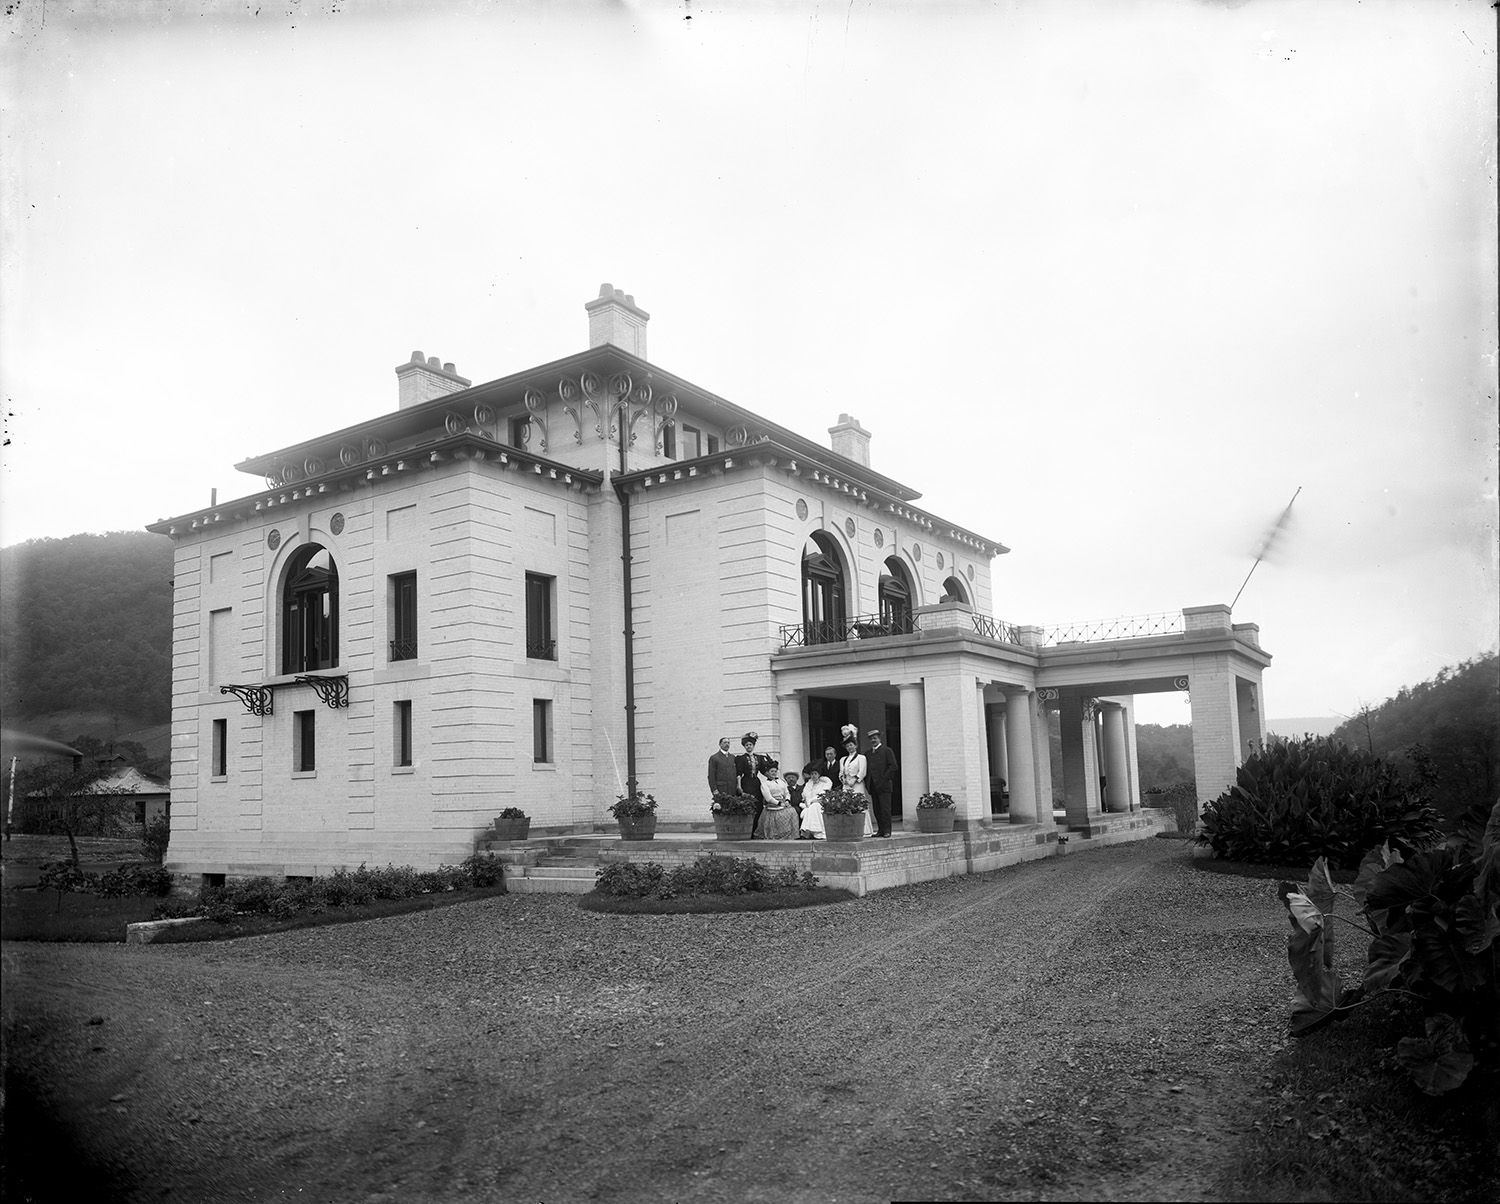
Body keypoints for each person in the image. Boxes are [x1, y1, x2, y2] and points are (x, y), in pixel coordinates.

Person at [838, 733, 875, 836]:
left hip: (857, 785)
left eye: (851, 745)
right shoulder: (843, 759)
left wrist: (854, 780)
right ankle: (849, 830)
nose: (849, 747)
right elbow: (841, 772)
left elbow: (862, 771)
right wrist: (843, 780)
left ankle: (864, 830)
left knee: (859, 805)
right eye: (847, 746)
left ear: (855, 746)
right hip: (846, 785)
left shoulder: (861, 758)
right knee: (846, 805)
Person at [864, 729, 899, 838]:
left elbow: (893, 766)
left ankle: (887, 830)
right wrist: (867, 783)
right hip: (873, 786)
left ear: (879, 738)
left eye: (875, 738)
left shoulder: (887, 751)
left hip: (884, 786)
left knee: (885, 809)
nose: (873, 740)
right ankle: (880, 830)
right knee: (877, 810)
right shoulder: (868, 753)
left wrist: (884, 779)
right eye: (871, 739)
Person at [756, 760, 799, 840]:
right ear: (768, 772)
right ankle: (778, 834)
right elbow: (768, 798)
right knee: (780, 815)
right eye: (772, 771)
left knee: (792, 811)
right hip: (772, 805)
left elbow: (787, 793)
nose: (774, 773)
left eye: (775, 771)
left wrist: (787, 800)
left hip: (783, 802)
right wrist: (779, 803)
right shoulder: (765, 784)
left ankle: (789, 834)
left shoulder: (781, 781)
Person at [735, 731, 767, 836]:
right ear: (744, 747)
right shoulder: (741, 758)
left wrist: (774, 778)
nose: (749, 746)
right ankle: (748, 831)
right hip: (746, 782)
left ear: (753, 746)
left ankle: (755, 831)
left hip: (756, 782)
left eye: (750, 745)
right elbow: (739, 773)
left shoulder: (759, 758)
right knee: (748, 805)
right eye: (747, 745)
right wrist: (739, 786)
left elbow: (764, 771)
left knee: (758, 805)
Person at [799, 762, 829, 839]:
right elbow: (805, 796)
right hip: (809, 805)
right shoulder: (809, 785)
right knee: (811, 808)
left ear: (819, 775)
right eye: (812, 774)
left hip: (821, 804)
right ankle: (810, 832)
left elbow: (822, 795)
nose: (813, 776)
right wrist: (809, 802)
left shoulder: (824, 784)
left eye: (815, 774)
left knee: (814, 807)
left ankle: (811, 832)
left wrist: (813, 801)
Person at [707, 736, 738, 801]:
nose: (727, 744)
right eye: (725, 742)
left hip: (732, 790)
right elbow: (711, 776)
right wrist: (714, 790)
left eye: (728, 743)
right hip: (721, 790)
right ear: (720, 744)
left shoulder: (732, 757)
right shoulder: (714, 758)